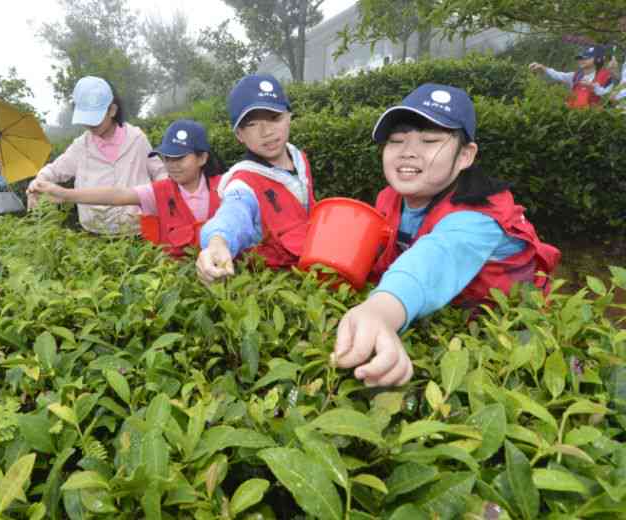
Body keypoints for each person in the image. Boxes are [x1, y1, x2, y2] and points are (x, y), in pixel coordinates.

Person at [331, 84, 561, 387]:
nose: (408, 152)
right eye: (396, 140)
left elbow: (436, 256)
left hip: (504, 339)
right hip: (446, 321)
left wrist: (380, 311)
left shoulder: (478, 218)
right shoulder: (392, 197)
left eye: (429, 140)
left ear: (465, 155)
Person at [27, 120, 223, 257]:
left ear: (202, 158)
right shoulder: (159, 192)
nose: (172, 165)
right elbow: (117, 194)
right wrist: (63, 193)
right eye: (167, 158)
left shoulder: (224, 188)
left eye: (180, 158)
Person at [196, 74, 315, 283]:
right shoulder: (243, 182)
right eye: (252, 124)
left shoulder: (299, 157)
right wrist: (217, 243)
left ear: (289, 116)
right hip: (274, 287)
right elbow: (234, 212)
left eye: (275, 117)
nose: (267, 131)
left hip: (313, 269)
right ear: (239, 134)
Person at [27, 76, 166, 234]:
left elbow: (160, 172)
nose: (91, 125)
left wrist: (161, 200)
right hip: (95, 232)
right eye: (86, 119)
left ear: (112, 110)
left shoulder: (136, 139)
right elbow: (55, 170)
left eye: (96, 118)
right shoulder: (81, 146)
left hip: (139, 231)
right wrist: (38, 181)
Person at [529, 45, 614, 108]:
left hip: (594, 120)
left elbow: (610, 98)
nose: (582, 60)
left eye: (587, 57)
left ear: (598, 59)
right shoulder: (576, 76)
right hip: (574, 118)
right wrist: (543, 68)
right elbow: (558, 75)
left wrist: (593, 87)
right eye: (580, 58)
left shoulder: (606, 77)